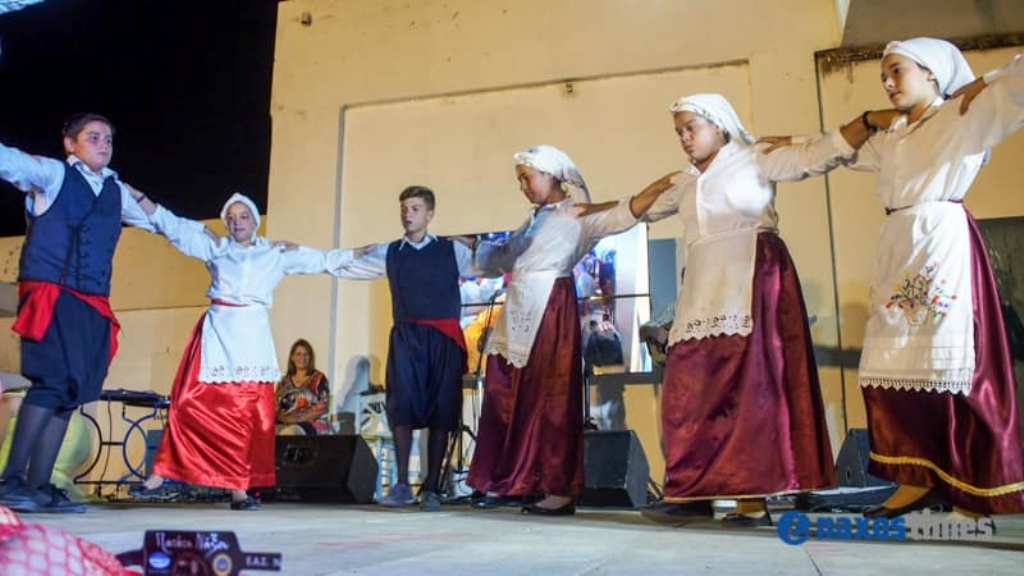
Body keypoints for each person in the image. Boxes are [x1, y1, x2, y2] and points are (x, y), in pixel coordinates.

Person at [822, 37, 1024, 517]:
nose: (889, 83)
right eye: (884, 76)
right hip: (898, 247)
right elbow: (836, 152)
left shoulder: (963, 114)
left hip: (940, 243)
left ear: (932, 72)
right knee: (893, 369)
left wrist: (986, 80)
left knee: (953, 368)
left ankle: (973, 483)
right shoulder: (893, 134)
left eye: (898, 71)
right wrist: (867, 119)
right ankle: (916, 477)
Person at [623, 94, 846, 525]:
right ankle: (692, 491)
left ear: (720, 125)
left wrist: (807, 136)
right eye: (679, 132)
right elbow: (635, 214)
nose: (684, 138)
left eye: (691, 128)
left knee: (750, 390)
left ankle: (750, 499)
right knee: (689, 389)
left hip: (750, 274)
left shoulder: (754, 157)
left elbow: (814, 158)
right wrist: (650, 188)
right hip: (702, 286)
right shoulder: (687, 182)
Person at [0, 114, 204, 513]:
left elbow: (164, 222)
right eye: (93, 137)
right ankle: (10, 481)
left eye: (108, 139)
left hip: (91, 302)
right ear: (70, 143)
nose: (103, 144)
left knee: (70, 393)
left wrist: (215, 243)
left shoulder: (117, 191)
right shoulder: (53, 174)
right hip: (51, 292)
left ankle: (40, 485)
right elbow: (9, 160)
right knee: (50, 383)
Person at [465, 145, 672, 515]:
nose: (523, 186)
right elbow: (503, 258)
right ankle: (514, 479)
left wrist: (661, 187)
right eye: (519, 180)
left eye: (527, 178)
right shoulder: (534, 220)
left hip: (549, 306)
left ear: (551, 175)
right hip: (520, 306)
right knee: (508, 392)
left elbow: (621, 212)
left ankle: (556, 487)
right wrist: (470, 248)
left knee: (550, 396)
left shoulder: (576, 213)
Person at [135, 192, 346, 510]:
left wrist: (376, 256)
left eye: (243, 216)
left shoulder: (274, 252)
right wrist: (137, 196)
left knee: (247, 417)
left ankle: (239, 490)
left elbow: (324, 260)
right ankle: (164, 470)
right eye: (231, 218)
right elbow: (172, 225)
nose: (237, 223)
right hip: (218, 335)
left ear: (255, 221)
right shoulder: (216, 247)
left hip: (252, 340)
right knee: (188, 403)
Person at [329, 186, 474, 511]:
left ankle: (432, 487)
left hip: (443, 339)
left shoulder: (452, 250)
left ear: (430, 214)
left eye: (415, 208)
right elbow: (347, 265)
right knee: (402, 405)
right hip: (406, 338)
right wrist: (299, 258)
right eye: (405, 208)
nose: (408, 214)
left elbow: (493, 263)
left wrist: (477, 244)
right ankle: (403, 486)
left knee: (441, 409)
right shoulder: (390, 252)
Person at [275, 339, 331, 436]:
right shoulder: (284, 381)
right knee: (265, 432)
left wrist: (297, 419)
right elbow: (276, 407)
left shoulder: (319, 378)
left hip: (310, 423)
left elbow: (323, 407)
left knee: (292, 431)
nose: (302, 358)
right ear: (292, 357)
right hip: (286, 423)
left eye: (306, 354)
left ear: (310, 358)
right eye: (298, 354)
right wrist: (285, 419)